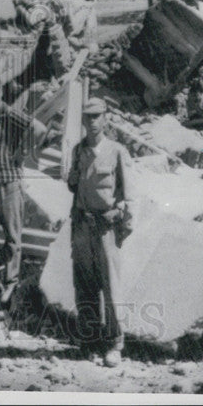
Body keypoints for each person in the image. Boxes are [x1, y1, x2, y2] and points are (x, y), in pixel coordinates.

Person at [66, 97, 135, 367]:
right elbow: (75, 185)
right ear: (83, 120)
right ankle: (89, 340)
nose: (92, 122)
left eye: (97, 116)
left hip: (106, 227)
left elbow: (128, 196)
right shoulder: (78, 150)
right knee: (84, 285)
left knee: (111, 286)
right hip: (82, 225)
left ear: (105, 118)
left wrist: (122, 225)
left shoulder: (117, 151)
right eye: (88, 117)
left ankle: (115, 343)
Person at [0, 75, 48, 306]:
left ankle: (11, 282)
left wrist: (23, 153)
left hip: (8, 183)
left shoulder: (10, 114)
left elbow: (40, 129)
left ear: (0, 92)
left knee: (12, 237)